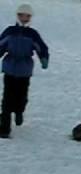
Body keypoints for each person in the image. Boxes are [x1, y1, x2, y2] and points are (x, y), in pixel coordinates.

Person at [0, 4, 49, 138]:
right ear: (17, 16)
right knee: (7, 98)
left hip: (24, 69)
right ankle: (4, 128)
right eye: (22, 15)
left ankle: (19, 110)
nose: (24, 18)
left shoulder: (32, 34)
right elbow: (1, 44)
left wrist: (44, 58)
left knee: (21, 96)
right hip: (10, 67)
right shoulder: (10, 31)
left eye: (27, 16)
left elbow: (41, 47)